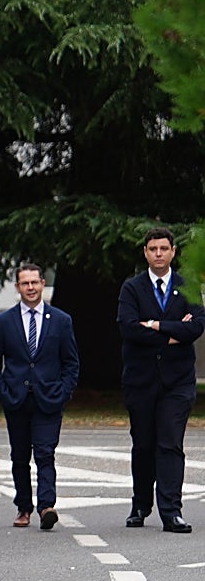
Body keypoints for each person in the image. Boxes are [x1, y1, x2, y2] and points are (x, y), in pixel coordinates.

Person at [116, 226, 205, 533]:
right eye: (152, 249)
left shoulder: (187, 286)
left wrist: (153, 325)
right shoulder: (132, 288)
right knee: (143, 444)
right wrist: (170, 331)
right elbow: (128, 328)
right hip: (140, 381)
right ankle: (140, 504)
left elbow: (196, 327)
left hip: (177, 382)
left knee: (170, 444)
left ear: (172, 252)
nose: (158, 254)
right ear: (145, 252)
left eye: (163, 249)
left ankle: (171, 511)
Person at [0, 263, 80, 529]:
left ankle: (46, 506)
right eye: (25, 283)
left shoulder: (61, 320)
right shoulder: (4, 321)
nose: (30, 288)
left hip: (49, 399)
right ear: (18, 287)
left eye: (35, 283)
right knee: (19, 456)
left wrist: (63, 392)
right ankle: (23, 507)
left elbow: (71, 362)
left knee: (45, 453)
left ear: (42, 284)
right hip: (16, 399)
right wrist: (2, 391)